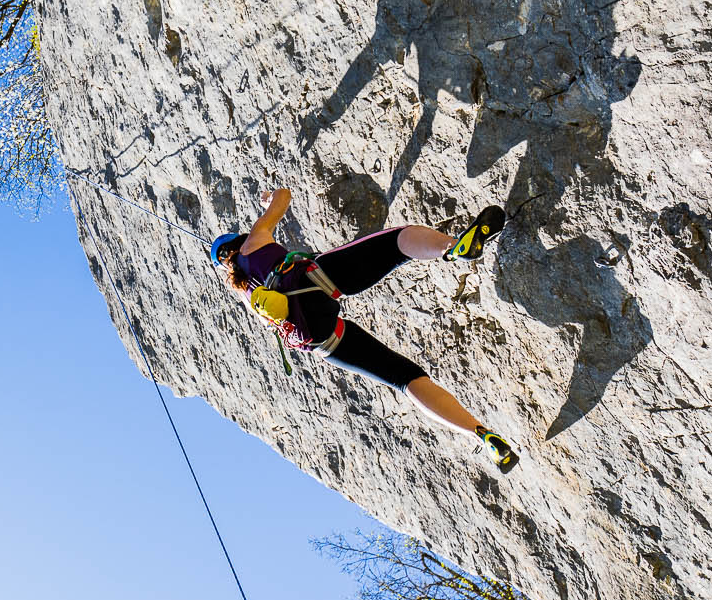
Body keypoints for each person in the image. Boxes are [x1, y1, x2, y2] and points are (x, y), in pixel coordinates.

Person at [211, 188, 518, 471]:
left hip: (319, 339)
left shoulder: (249, 298)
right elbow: (283, 197)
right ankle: (452, 249)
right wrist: (268, 202)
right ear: (237, 243)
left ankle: (481, 434)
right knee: (399, 240)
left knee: (403, 378)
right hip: (316, 282)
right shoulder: (253, 242)